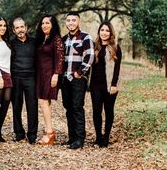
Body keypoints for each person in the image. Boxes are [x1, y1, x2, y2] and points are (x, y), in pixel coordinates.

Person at [61, 11, 94, 149]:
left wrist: (79, 73)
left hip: (78, 79)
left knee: (77, 107)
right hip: (65, 78)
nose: (71, 23)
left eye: (73, 20)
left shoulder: (85, 37)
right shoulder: (64, 39)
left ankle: (80, 139)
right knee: (68, 108)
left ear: (78, 22)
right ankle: (72, 137)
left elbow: (89, 56)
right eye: (68, 20)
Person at [89, 21, 122, 148]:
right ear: (99, 32)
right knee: (96, 110)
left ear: (111, 32)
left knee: (108, 111)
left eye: (107, 30)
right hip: (95, 85)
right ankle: (98, 137)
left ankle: (106, 138)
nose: (104, 32)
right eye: (102, 30)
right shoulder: (94, 46)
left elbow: (117, 68)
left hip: (109, 85)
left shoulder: (115, 47)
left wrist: (114, 84)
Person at [35, 14, 64, 145]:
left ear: (53, 25)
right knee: (45, 103)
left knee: (43, 102)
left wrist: (56, 74)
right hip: (40, 74)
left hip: (50, 75)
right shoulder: (42, 38)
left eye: (47, 23)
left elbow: (60, 58)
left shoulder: (56, 39)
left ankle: (50, 133)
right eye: (42, 23)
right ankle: (49, 130)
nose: (44, 25)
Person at [11, 17, 38, 144]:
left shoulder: (34, 42)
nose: (20, 29)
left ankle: (32, 135)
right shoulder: (10, 44)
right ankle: (19, 134)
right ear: (13, 30)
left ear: (26, 28)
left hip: (31, 78)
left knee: (32, 106)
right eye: (17, 28)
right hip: (15, 78)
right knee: (16, 106)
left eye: (22, 27)